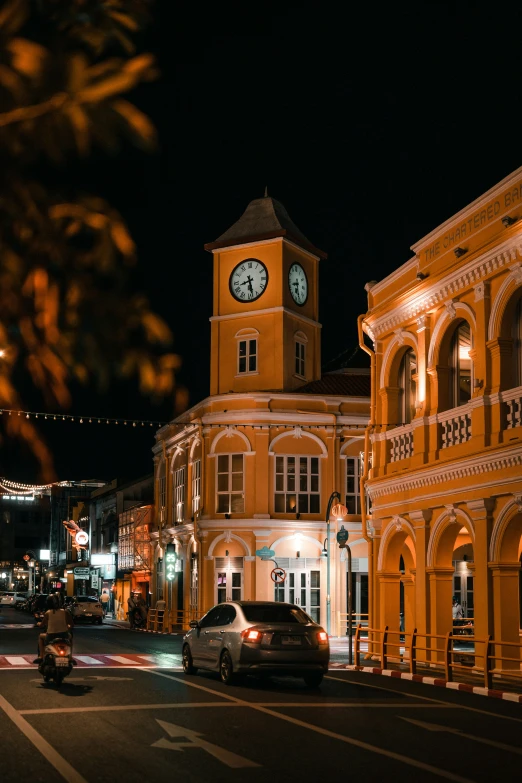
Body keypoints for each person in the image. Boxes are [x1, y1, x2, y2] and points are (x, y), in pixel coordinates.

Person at [33, 595, 76, 664]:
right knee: (70, 638)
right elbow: (72, 625)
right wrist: (67, 627)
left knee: (41, 637)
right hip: (64, 636)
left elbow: (42, 625)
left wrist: (38, 624)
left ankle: (41, 656)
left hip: (50, 636)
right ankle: (70, 657)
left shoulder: (48, 613)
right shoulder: (65, 612)